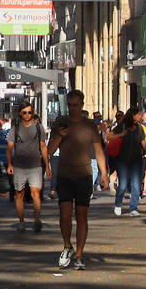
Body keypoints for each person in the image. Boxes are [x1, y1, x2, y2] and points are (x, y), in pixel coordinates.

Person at [46, 90, 110, 270]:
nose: (72, 108)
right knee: (65, 215)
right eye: (70, 105)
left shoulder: (90, 125)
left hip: (84, 175)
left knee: (82, 216)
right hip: (65, 175)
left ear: (82, 105)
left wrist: (103, 174)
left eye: (75, 105)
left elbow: (98, 150)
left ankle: (79, 254)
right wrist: (59, 136)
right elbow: (50, 150)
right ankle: (67, 246)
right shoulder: (60, 123)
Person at [8, 101, 49, 232]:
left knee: (35, 193)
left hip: (35, 165)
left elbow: (43, 146)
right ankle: (21, 221)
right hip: (19, 166)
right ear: (20, 113)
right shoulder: (16, 128)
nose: (27, 115)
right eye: (24, 112)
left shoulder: (38, 127)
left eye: (30, 112)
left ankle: (36, 219)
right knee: (19, 194)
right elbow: (9, 147)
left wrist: (47, 166)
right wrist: (9, 164)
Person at [110, 108, 146, 217]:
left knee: (136, 184)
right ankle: (118, 204)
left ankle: (133, 208)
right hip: (122, 159)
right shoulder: (122, 126)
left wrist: (143, 152)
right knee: (123, 185)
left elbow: (143, 142)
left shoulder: (140, 128)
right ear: (133, 116)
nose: (140, 117)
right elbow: (109, 136)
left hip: (136, 159)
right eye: (138, 115)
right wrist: (122, 134)